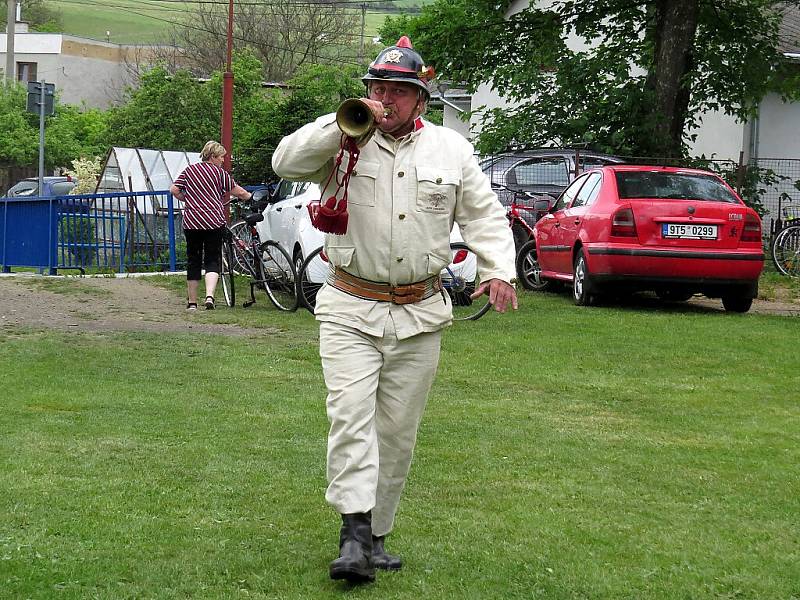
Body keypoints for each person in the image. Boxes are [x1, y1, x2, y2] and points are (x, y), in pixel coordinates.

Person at [272, 36, 518, 583]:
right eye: (377, 88)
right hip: (349, 306)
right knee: (351, 416)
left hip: (419, 311)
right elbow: (284, 162)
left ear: (420, 99)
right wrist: (339, 125)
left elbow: (483, 216)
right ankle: (353, 536)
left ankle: (376, 533)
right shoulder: (341, 140)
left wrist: (500, 269)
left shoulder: (451, 150)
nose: (386, 99)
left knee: (398, 431)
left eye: (399, 91)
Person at [170, 141, 252, 310]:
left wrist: (188, 199)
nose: (223, 160)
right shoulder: (220, 174)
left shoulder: (189, 170)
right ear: (213, 156)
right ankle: (209, 297)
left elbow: (174, 190)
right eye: (221, 157)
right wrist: (251, 197)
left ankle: (192, 303)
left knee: (193, 260)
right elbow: (239, 192)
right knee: (212, 259)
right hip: (213, 221)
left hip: (192, 222)